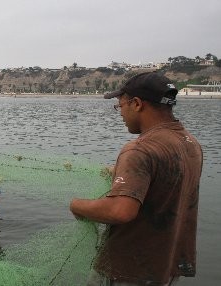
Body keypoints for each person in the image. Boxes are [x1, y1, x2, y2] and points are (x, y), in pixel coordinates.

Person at [70, 72, 203, 285]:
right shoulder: (189, 142)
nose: (120, 113)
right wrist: (119, 172)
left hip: (128, 270)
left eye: (120, 106)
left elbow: (121, 211)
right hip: (166, 267)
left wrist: (77, 206)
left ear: (137, 104)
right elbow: (165, 179)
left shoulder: (139, 149)